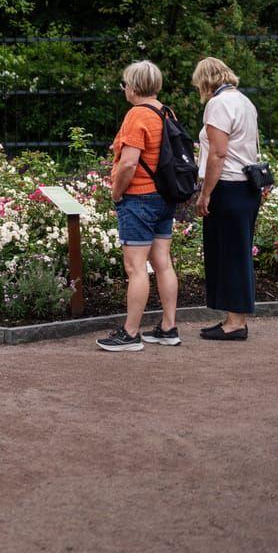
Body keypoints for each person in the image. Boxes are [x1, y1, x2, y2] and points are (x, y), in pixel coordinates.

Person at [98, 60, 181, 352]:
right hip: (164, 197)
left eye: (125, 84)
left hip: (139, 198)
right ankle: (168, 327)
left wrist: (117, 192)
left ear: (133, 87)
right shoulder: (166, 112)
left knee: (136, 268)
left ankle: (130, 333)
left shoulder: (136, 115)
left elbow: (129, 163)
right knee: (163, 263)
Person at [192, 57, 264, 341]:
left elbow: (218, 153)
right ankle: (234, 319)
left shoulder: (219, 104)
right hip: (247, 188)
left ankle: (235, 324)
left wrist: (205, 193)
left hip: (228, 186)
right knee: (237, 253)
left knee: (230, 255)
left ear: (205, 81)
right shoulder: (245, 102)